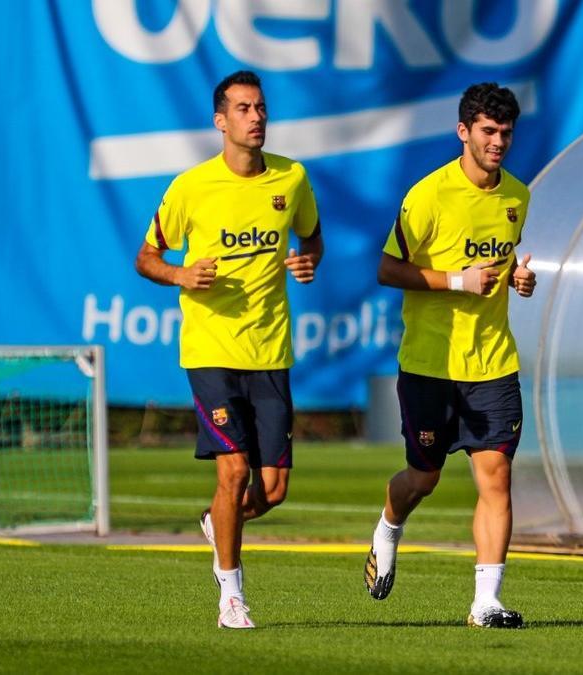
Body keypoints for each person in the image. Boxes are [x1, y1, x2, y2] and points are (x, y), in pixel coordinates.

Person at [134, 70, 323, 630]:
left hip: (270, 354)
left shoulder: (292, 179)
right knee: (234, 472)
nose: (256, 117)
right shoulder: (191, 187)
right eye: (243, 109)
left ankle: (219, 524)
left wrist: (308, 259)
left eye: (261, 107)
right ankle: (232, 598)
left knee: (273, 489)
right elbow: (146, 257)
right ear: (221, 120)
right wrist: (180, 274)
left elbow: (312, 236)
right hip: (210, 350)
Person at [363, 82, 536, 629]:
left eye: (506, 132)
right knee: (424, 477)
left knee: (496, 476)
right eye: (488, 131)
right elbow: (388, 270)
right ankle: (389, 527)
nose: (498, 142)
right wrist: (456, 279)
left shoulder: (518, 197)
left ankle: (485, 602)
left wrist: (520, 279)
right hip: (430, 365)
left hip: (492, 363)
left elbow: (503, 269)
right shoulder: (428, 196)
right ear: (463, 132)